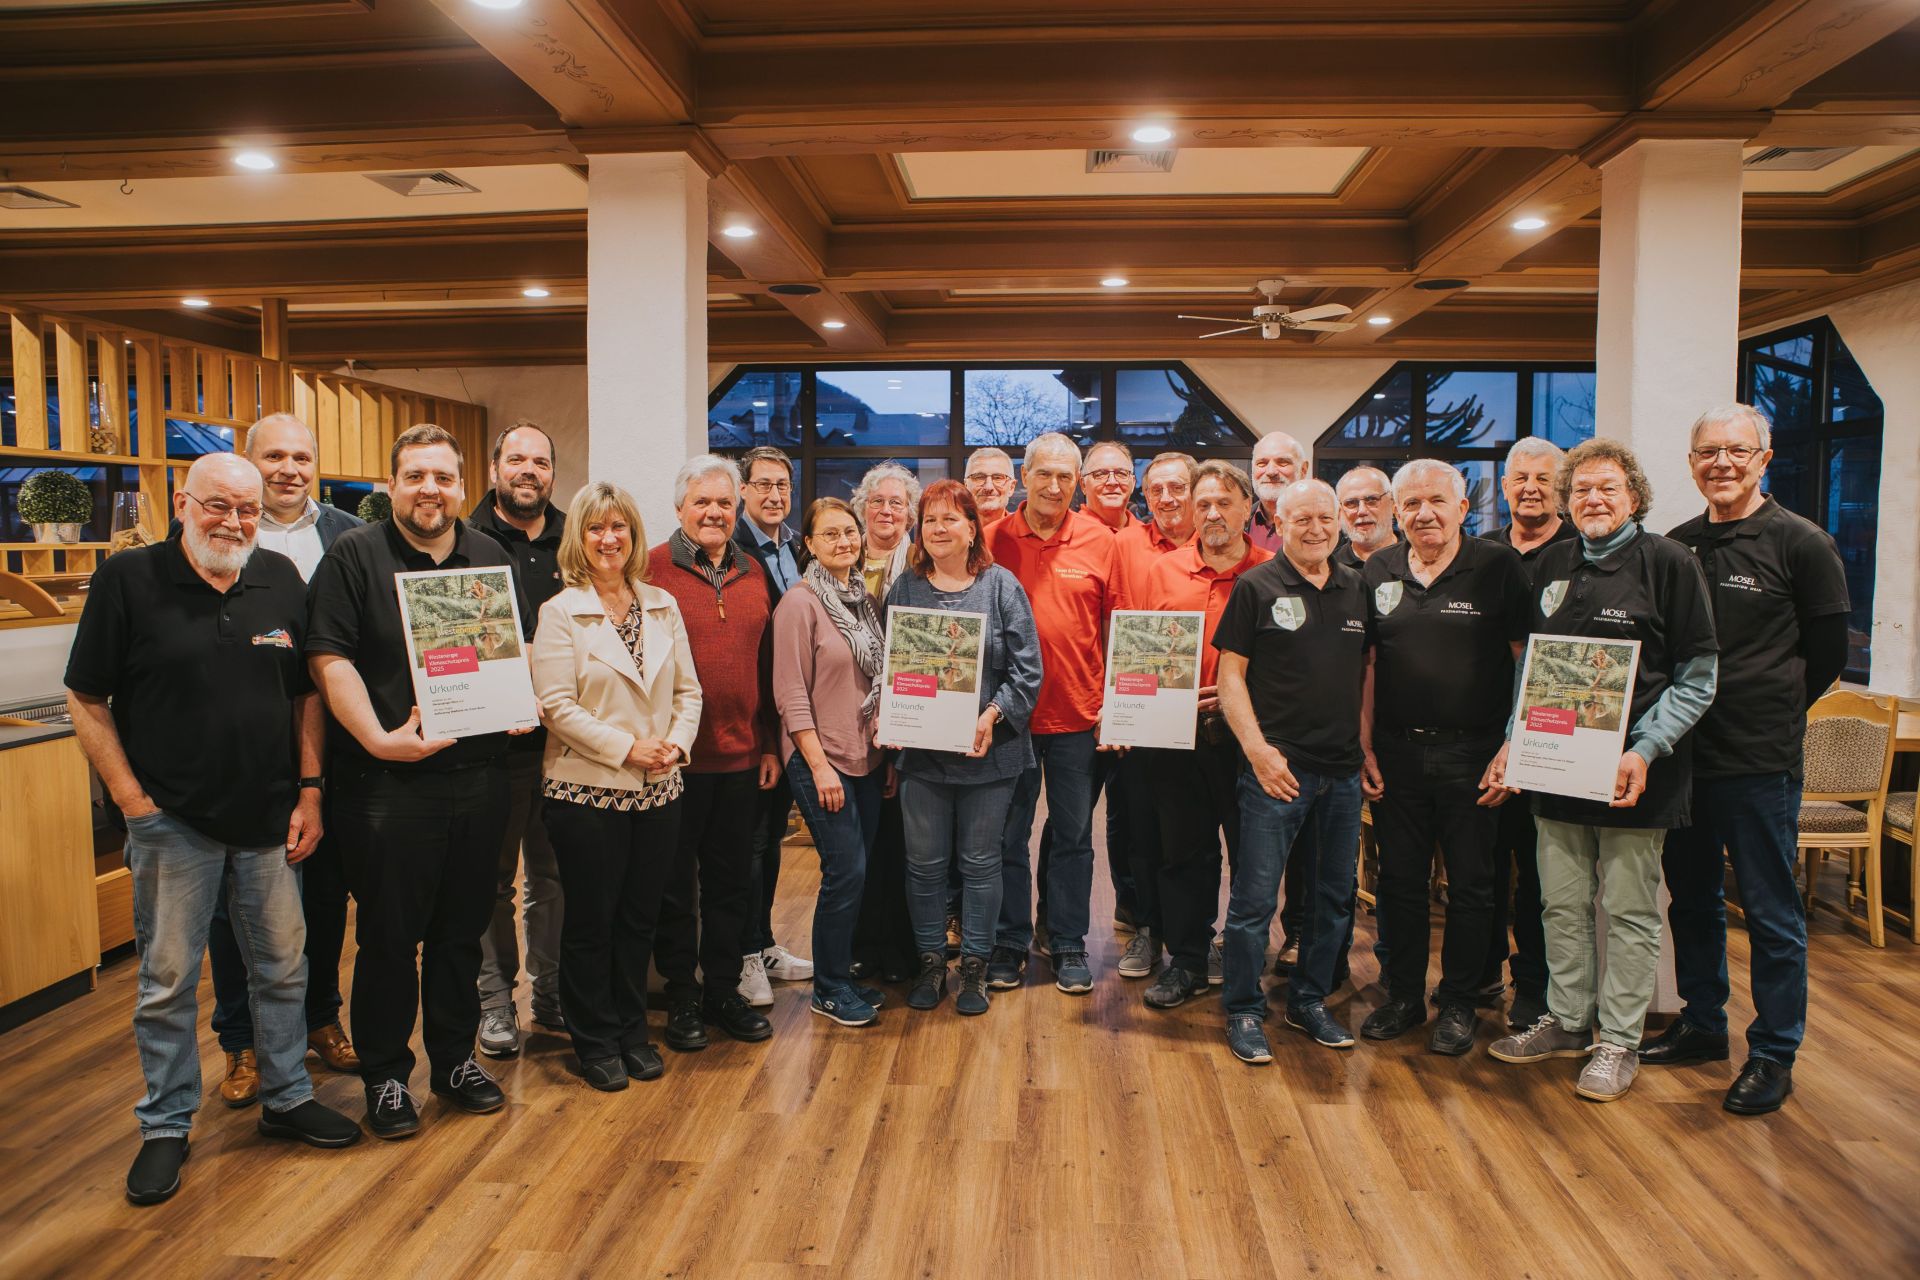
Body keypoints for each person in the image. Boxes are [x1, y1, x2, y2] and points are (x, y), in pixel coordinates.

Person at [67, 452, 362, 1204]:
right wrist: (132, 800)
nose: (232, 522)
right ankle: (165, 1125)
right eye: (218, 506)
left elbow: (306, 698)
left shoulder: (280, 580)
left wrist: (309, 791)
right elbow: (86, 698)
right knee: (167, 982)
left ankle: (287, 1097)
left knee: (283, 970)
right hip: (172, 824)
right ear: (182, 503)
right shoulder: (128, 581)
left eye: (246, 510)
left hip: (270, 819)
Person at [1485, 438, 1718, 1104]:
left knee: (1628, 911)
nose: (1592, 499)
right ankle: (1566, 1019)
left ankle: (1618, 1038)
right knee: (1558, 903)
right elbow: (1535, 667)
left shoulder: (1669, 563)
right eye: (1581, 489)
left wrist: (1644, 750)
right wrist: (1513, 742)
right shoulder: (1553, 563)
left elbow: (1699, 678)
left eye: (1607, 488)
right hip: (1557, 765)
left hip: (1635, 775)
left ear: (1634, 497)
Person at [306, 424, 515, 1138]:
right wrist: (376, 739)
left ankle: (454, 1061)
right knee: (391, 940)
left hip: (479, 778)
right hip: (388, 785)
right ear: (391, 485)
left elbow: (498, 653)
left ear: (463, 486)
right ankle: (387, 1077)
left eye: (443, 477)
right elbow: (329, 660)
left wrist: (513, 703)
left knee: (463, 932)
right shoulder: (353, 557)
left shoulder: (486, 554)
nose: (431, 489)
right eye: (416, 476)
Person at [1645, 404, 1850, 1115]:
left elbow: (1825, 654)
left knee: (1770, 912)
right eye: (1708, 452)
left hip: (1759, 761)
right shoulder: (1676, 546)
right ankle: (1704, 1024)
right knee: (1692, 901)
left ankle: (1773, 1052)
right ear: (1692, 462)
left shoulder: (1802, 544)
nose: (1722, 464)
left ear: (1764, 458)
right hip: (1683, 760)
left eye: (1737, 451)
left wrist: (1774, 705)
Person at [202, 413, 363, 1108]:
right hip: (237, 754)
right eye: (275, 456)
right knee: (229, 909)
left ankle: (321, 1017)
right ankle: (241, 1041)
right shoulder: (214, 534)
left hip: (327, 744)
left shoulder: (346, 537)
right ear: (248, 461)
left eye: (302, 456)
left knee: (325, 893)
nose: (289, 469)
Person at [531, 482, 701, 1091]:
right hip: (586, 792)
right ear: (579, 537)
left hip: (659, 789)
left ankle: (632, 1028)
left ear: (633, 535)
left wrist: (676, 744)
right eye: (596, 528)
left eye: (620, 528)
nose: (609, 539)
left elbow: (689, 691)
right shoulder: (560, 611)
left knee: (639, 917)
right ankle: (594, 1037)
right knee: (592, 921)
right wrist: (628, 747)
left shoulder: (660, 603)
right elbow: (554, 706)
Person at [1357, 459, 1530, 1056]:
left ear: (1463, 508)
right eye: (1410, 504)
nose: (1424, 513)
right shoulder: (1377, 567)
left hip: (1475, 753)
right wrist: (1365, 745)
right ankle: (1403, 996)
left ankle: (1458, 1002)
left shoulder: (1498, 566)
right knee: (1400, 882)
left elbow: (1524, 662)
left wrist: (1514, 746)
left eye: (1437, 501)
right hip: (1398, 753)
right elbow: (1368, 665)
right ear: (1396, 513)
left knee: (1474, 886)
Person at [1214, 479, 1371, 1063]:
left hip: (1342, 774)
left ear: (1339, 523)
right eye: (1301, 519)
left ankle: (1310, 1001)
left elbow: (1368, 672)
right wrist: (1258, 752)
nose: (1315, 528)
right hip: (1276, 771)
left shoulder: (1358, 587)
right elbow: (1230, 678)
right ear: (1278, 524)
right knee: (1254, 901)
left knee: (1332, 899)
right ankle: (1244, 1010)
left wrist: (1365, 747)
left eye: (1324, 518)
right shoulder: (1256, 586)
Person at [884, 480, 1042, 1016]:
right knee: (924, 866)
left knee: (981, 863)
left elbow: (1027, 671)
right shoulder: (905, 588)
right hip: (923, 759)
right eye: (930, 520)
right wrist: (894, 714)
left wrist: (993, 715)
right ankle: (931, 961)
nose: (940, 529)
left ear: (973, 527)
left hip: (988, 757)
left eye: (951, 519)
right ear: (920, 530)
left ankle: (974, 966)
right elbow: (891, 667)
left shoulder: (1001, 586)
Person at [647, 456, 779, 1051]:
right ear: (680, 508)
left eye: (724, 503)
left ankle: (723, 989)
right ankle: (681, 996)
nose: (714, 513)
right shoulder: (649, 571)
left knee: (731, 883)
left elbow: (769, 663)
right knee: (674, 886)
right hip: (674, 761)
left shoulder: (754, 572)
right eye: (702, 502)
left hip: (742, 756)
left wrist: (771, 741)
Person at [986, 432, 1122, 995]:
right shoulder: (992, 539)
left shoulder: (1099, 539)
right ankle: (1009, 941)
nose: (1055, 486)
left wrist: (1116, 710)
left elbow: (1117, 630)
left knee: (1072, 837)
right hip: (1009, 719)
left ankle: (1066, 940)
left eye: (1066, 476)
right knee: (1008, 836)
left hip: (1078, 718)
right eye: (1045, 474)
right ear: (1024, 477)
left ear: (1078, 482)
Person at [1137, 462, 1272, 1010]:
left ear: (1248, 508)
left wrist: (1242, 695)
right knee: (1183, 854)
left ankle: (1242, 961)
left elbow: (1288, 664)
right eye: (1203, 504)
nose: (1212, 514)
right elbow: (1140, 654)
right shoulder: (1162, 572)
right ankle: (1187, 961)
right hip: (1176, 737)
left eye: (1224, 502)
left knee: (1250, 857)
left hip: (1247, 742)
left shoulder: (1271, 573)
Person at [467, 420, 567, 1059]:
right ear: (496, 466)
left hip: (565, 746)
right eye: (517, 459)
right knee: (491, 883)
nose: (528, 471)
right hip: (489, 749)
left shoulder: (576, 538)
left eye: (541, 461)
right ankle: (495, 1001)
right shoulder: (463, 540)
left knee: (555, 879)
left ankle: (552, 990)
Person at [774, 498, 892, 1025]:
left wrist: (884, 753)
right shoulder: (800, 604)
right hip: (821, 758)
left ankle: (841, 974)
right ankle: (829, 987)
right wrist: (820, 766)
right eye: (831, 535)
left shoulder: (862, 599)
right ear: (810, 544)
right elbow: (791, 693)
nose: (844, 541)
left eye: (850, 532)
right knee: (845, 871)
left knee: (858, 873)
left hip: (865, 756)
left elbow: (875, 680)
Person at [1479, 436, 1576, 1028]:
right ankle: (1483, 972)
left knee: (1541, 875)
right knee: (1483, 867)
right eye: (1521, 478)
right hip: (1482, 736)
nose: (1531, 488)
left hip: (1550, 740)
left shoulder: (1578, 550)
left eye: (1544, 478)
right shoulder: (1484, 552)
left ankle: (1535, 988)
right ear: (1506, 484)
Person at [730, 446, 815, 1006]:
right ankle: (741, 956)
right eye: (762, 485)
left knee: (771, 844)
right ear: (743, 492)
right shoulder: (734, 553)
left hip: (786, 723)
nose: (773, 496)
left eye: (782, 486)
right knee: (747, 846)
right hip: (751, 726)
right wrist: (763, 737)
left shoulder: (793, 547)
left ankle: (762, 943)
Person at [1109, 451, 1199, 981]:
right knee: (1141, 828)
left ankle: (1197, 936)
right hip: (1146, 707)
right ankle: (1148, 929)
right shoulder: (1127, 545)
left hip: (1207, 714)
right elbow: (1118, 621)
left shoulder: (1215, 542)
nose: (1167, 498)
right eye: (1156, 489)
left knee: (1194, 838)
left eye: (1177, 488)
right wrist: (1119, 710)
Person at [846, 463, 923, 982]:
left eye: (897, 503)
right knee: (855, 848)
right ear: (862, 507)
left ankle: (901, 950)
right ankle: (858, 946)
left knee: (901, 844)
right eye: (878, 501)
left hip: (906, 720)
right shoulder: (836, 560)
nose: (887, 511)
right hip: (847, 723)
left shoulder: (920, 567)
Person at [1248, 431, 1307, 553]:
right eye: (1262, 463)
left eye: (1282, 462)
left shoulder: (1325, 526)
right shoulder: (1240, 522)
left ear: (1303, 470)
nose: (1271, 471)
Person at [1332, 466, 1396, 570]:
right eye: (1351, 503)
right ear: (1339, 511)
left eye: (1371, 500)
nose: (1362, 511)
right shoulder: (1331, 568)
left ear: (1392, 503)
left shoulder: (1416, 558)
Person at [1080, 440, 1141, 533]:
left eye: (1121, 473)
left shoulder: (1148, 538)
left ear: (1133, 483)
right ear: (1083, 485)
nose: (1112, 482)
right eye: (1100, 474)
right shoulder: (1066, 536)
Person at [964, 447, 1018, 530]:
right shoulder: (951, 533)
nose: (988, 487)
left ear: (1011, 487)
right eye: (979, 477)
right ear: (966, 486)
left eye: (998, 478)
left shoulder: (1028, 535)